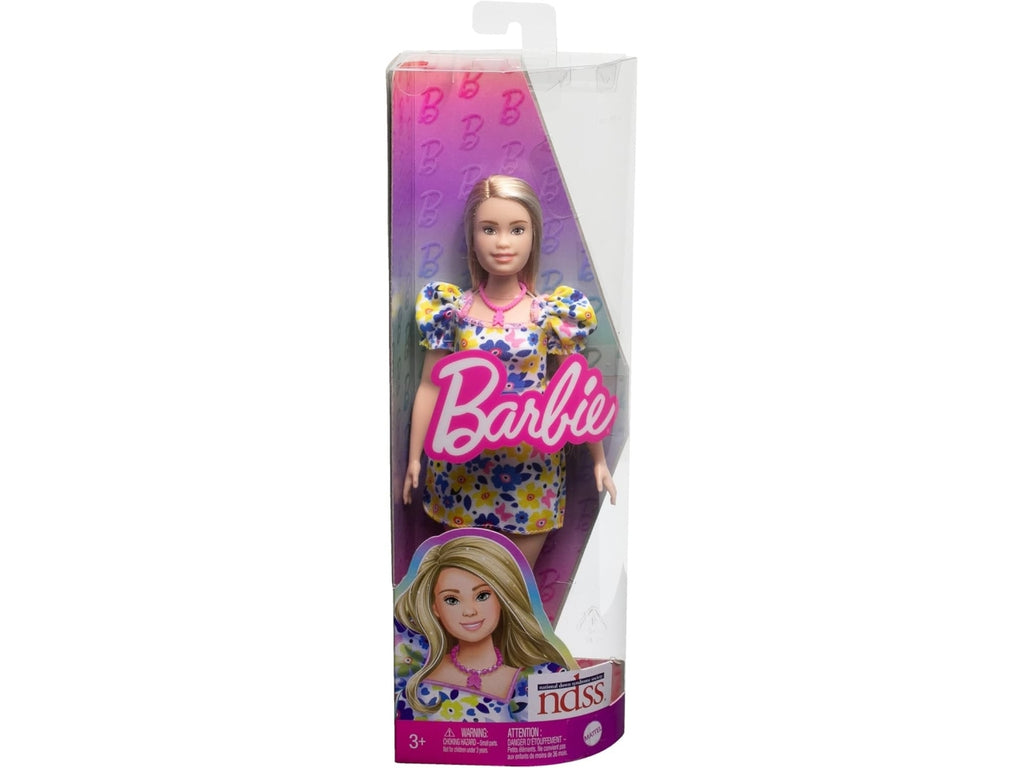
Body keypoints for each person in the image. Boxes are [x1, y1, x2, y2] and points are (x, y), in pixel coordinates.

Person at [402, 174, 616, 567]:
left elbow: (575, 394)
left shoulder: (549, 314)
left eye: (517, 230)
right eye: (489, 229)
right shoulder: (452, 311)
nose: (503, 242)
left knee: (518, 585)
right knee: (465, 580)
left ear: (533, 236)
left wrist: (599, 460)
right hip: (462, 467)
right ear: (472, 237)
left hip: (531, 472)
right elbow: (432, 385)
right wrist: (414, 458)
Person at [394, 531, 577, 721]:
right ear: (435, 608)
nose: (469, 611)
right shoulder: (413, 669)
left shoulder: (539, 679)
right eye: (452, 600)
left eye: (482, 596)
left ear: (502, 599)